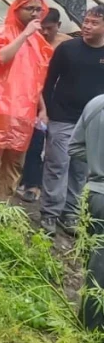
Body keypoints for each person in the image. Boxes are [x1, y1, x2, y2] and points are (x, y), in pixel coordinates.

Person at [0, 0, 54, 202]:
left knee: (14, 164)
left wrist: (43, 108)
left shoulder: (39, 43)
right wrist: (25, 34)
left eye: (39, 9)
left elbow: (35, 80)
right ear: (17, 9)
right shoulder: (1, 33)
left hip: (24, 111)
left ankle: (2, 207)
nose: (36, 13)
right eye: (30, 8)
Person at [38, 5, 104, 236]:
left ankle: (71, 214)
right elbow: (48, 82)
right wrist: (44, 110)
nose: (86, 25)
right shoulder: (67, 49)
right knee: (57, 165)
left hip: (93, 122)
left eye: (94, 23)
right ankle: (49, 214)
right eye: (86, 21)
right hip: (63, 116)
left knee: (81, 169)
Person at [17, 8, 71, 202]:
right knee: (34, 141)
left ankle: (53, 190)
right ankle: (31, 183)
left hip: (62, 100)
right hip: (35, 96)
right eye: (42, 28)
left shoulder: (67, 45)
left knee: (57, 148)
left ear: (58, 26)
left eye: (49, 28)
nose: (45, 33)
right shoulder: (31, 42)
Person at [67, 92, 104, 329]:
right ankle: (93, 329)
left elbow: (74, 147)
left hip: (93, 194)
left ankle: (88, 325)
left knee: (96, 263)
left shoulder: (96, 103)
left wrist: (96, 162)